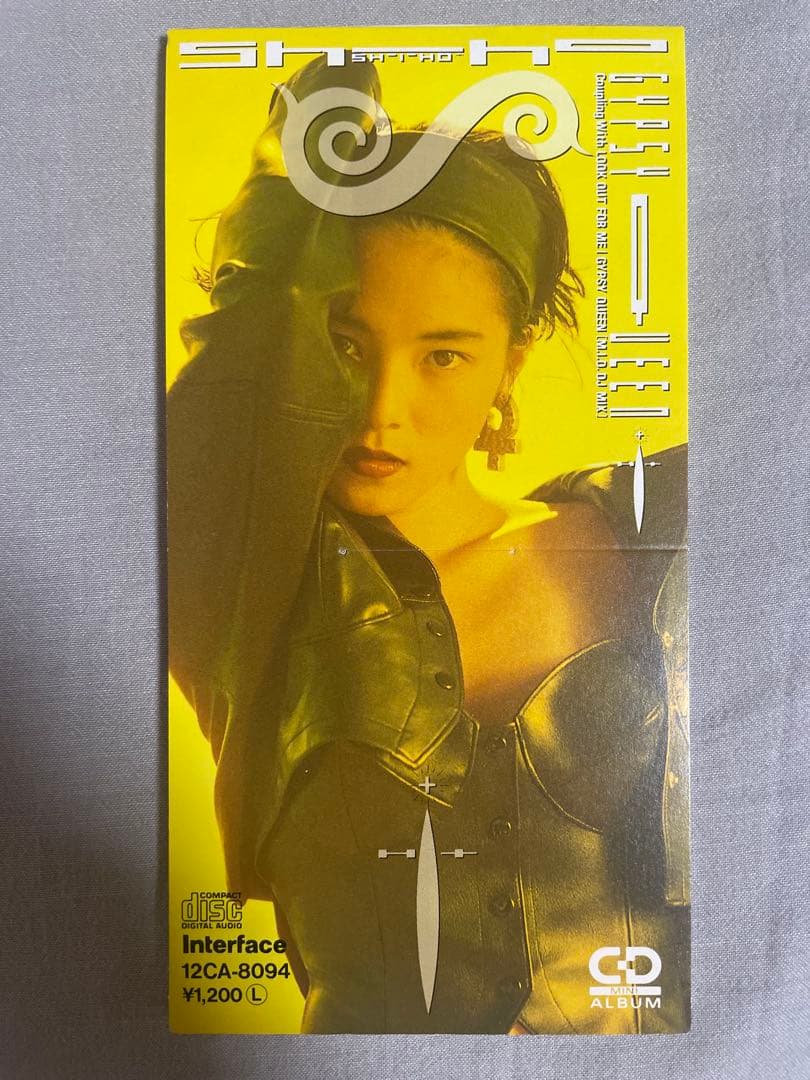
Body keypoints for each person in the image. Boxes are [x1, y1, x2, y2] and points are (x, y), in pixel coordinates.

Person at [167, 58, 690, 1034]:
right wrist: (333, 139)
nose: (382, 411)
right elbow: (233, 341)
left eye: (442, 354)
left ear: (510, 365)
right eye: (343, 345)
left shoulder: (656, 540)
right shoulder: (241, 589)